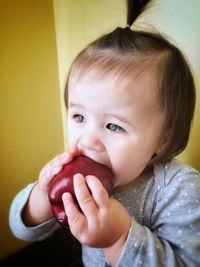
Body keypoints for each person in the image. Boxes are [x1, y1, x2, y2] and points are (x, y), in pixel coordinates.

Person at [9, 0, 200, 266]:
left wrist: (118, 239)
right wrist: (42, 195)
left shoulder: (180, 189)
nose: (87, 140)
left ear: (163, 137)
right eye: (79, 117)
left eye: (113, 126)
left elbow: (187, 262)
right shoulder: (72, 174)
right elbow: (21, 229)